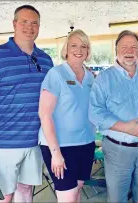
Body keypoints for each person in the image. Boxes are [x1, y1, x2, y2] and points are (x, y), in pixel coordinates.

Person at [0, 5, 54, 203]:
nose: (29, 27)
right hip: (2, 143)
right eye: (24, 21)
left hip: (34, 142)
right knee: (3, 197)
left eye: (34, 23)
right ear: (14, 24)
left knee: (25, 192)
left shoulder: (46, 60)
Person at [89, 30, 138, 202]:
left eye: (134, 47)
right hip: (117, 151)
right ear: (116, 51)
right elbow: (94, 112)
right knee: (117, 199)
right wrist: (125, 127)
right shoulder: (104, 79)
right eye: (124, 47)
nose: (129, 51)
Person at [38, 29, 95, 203]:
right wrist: (56, 153)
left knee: (76, 191)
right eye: (74, 45)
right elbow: (44, 114)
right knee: (68, 197)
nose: (79, 50)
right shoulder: (56, 74)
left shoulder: (91, 77)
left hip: (85, 143)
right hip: (60, 146)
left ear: (88, 51)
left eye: (83, 46)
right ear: (66, 49)